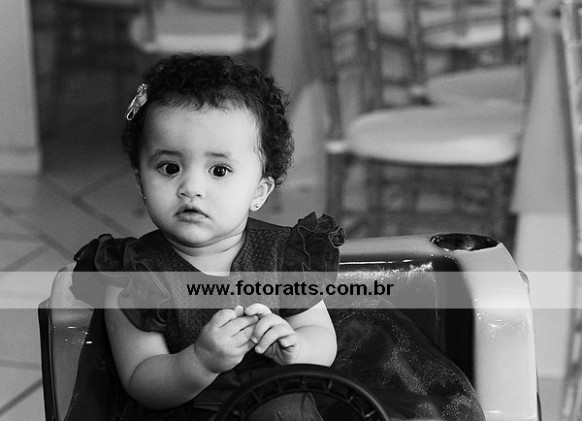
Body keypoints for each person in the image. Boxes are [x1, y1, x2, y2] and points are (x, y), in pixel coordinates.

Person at [65, 54, 343, 420]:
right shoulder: (133, 274)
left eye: (219, 170)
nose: (191, 187)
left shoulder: (285, 255)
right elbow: (141, 378)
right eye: (170, 167)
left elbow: (320, 335)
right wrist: (199, 361)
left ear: (259, 192)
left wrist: (297, 348)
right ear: (140, 182)